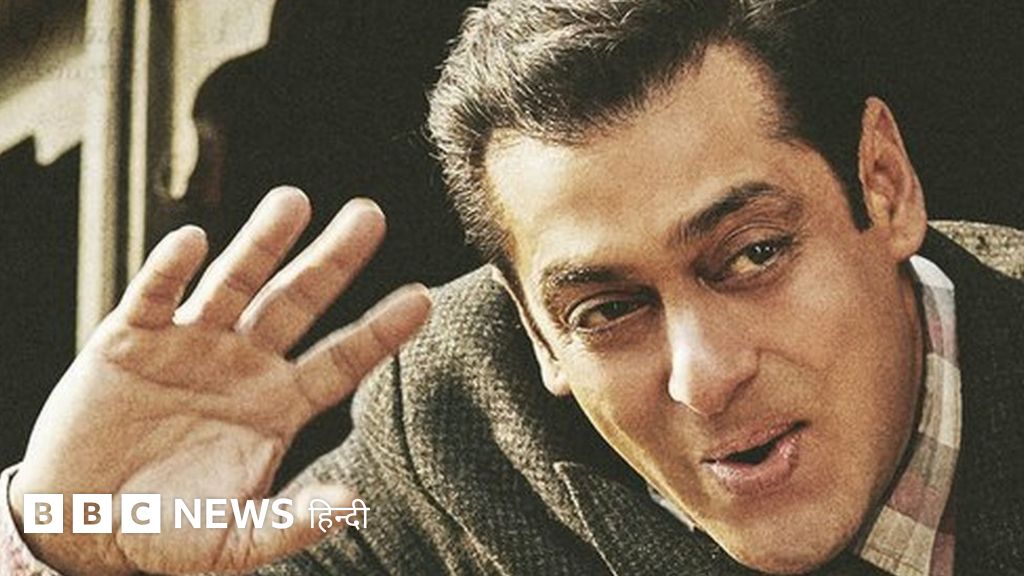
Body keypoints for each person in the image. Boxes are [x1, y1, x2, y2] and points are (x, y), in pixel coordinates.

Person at [3, 0, 1023, 574]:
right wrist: (65, 536)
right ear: (535, 333)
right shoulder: (461, 417)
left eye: (753, 254)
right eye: (606, 310)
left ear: (883, 185)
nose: (704, 376)